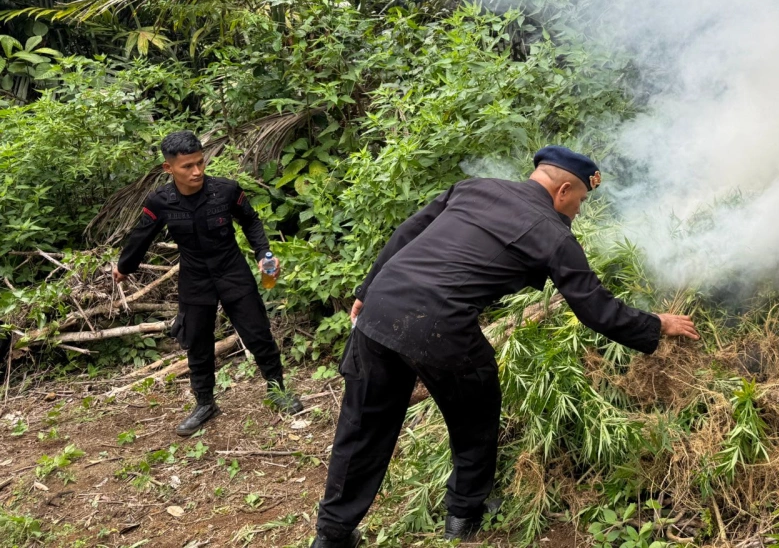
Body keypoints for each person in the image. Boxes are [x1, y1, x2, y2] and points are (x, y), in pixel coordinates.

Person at [311, 146, 700, 548]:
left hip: (380, 309)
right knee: (475, 417)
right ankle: (464, 514)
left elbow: (407, 233)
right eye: (581, 200)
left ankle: (333, 534)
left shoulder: (474, 189)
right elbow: (596, 308)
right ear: (564, 189)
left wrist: (366, 290)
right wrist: (656, 324)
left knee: (361, 425)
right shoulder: (554, 234)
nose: (579, 211)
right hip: (442, 327)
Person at [113, 131, 302, 436]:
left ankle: (277, 389)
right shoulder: (160, 202)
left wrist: (264, 254)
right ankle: (205, 403)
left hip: (232, 270)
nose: (197, 171)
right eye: (187, 166)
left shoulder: (225, 191)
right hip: (195, 278)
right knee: (197, 341)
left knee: (257, 332)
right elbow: (141, 235)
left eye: (200, 163)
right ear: (168, 168)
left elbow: (251, 221)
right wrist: (124, 267)